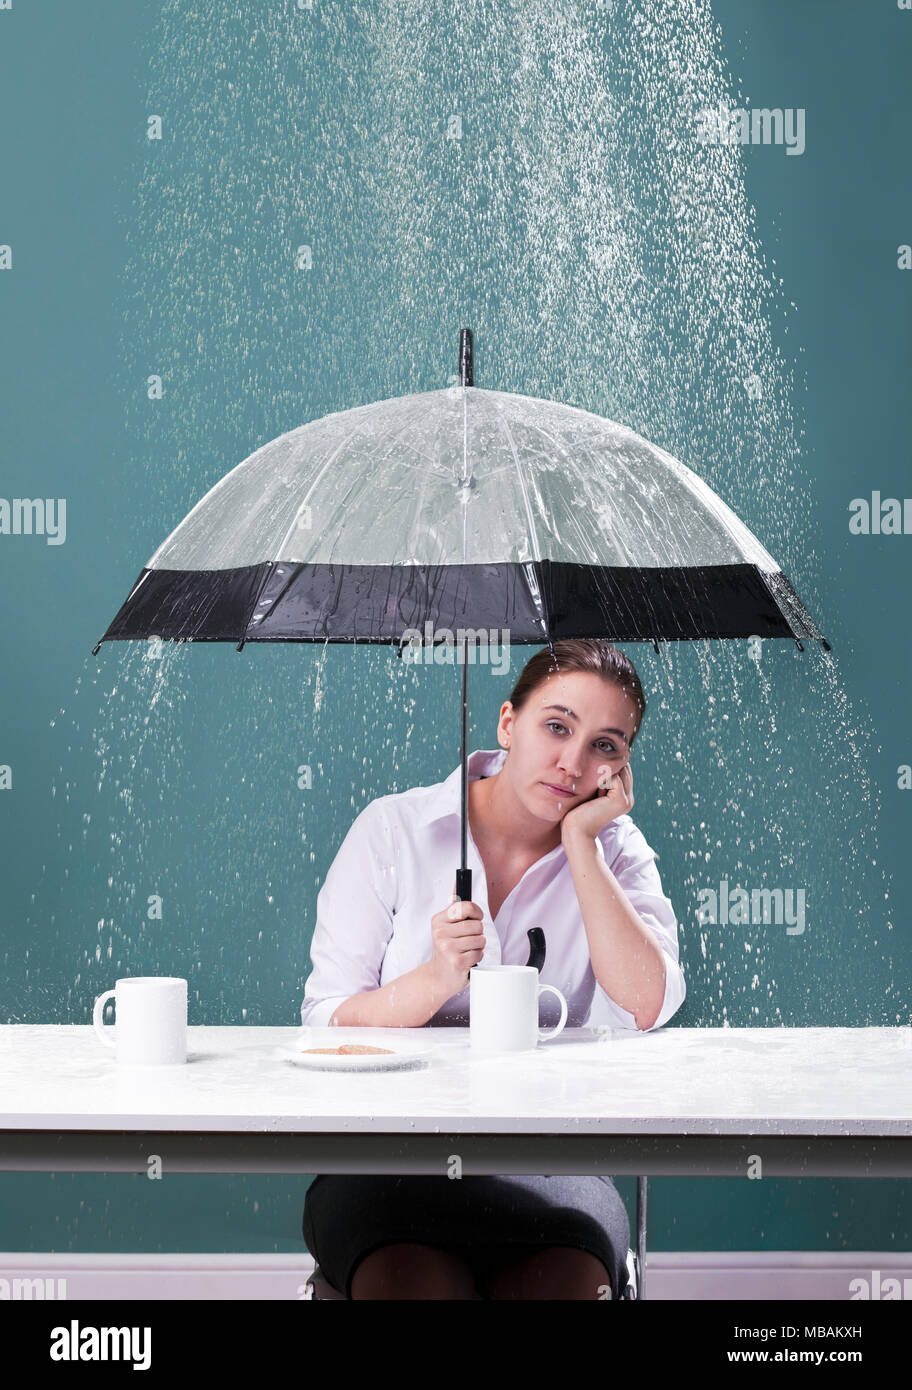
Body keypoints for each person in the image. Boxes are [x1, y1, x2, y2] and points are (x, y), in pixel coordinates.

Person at [300, 639, 685, 1299]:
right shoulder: (393, 830)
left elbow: (649, 1003)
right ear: (508, 722)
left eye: (606, 745)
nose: (572, 762)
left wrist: (580, 846)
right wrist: (433, 980)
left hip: (553, 1162)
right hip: (389, 1157)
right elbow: (323, 1022)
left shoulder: (616, 851)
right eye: (556, 726)